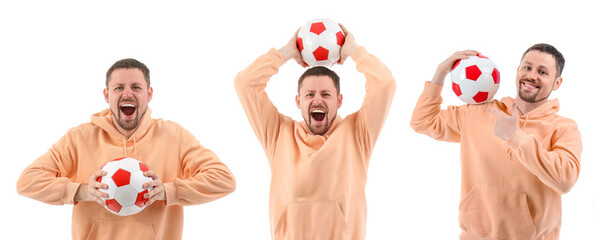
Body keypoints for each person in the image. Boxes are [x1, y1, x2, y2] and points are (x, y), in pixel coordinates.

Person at [17, 58, 236, 240]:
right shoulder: (79, 138)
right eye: (119, 87)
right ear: (107, 95)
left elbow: (224, 179)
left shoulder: (174, 136)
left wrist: (168, 191)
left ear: (149, 94)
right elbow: (27, 181)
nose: (127, 94)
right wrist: (82, 191)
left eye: (136, 87)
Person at [234, 25, 396, 239]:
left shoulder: (358, 133)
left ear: (339, 101)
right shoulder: (278, 133)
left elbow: (385, 83)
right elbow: (245, 84)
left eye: (326, 94)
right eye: (309, 94)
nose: (317, 100)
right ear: (298, 102)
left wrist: (353, 51)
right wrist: (286, 52)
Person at [411, 44, 582, 240]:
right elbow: (422, 121)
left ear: (556, 83)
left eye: (542, 72)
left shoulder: (564, 128)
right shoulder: (479, 111)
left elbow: (565, 180)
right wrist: (440, 74)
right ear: (517, 71)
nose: (532, 76)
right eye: (527, 68)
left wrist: (516, 138)